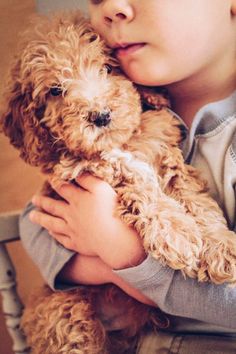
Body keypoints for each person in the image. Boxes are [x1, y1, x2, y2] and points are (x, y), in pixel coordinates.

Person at [20, 0, 236, 352]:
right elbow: (39, 220)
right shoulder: (123, 100)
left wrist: (130, 259)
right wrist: (98, 266)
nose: (112, 7)